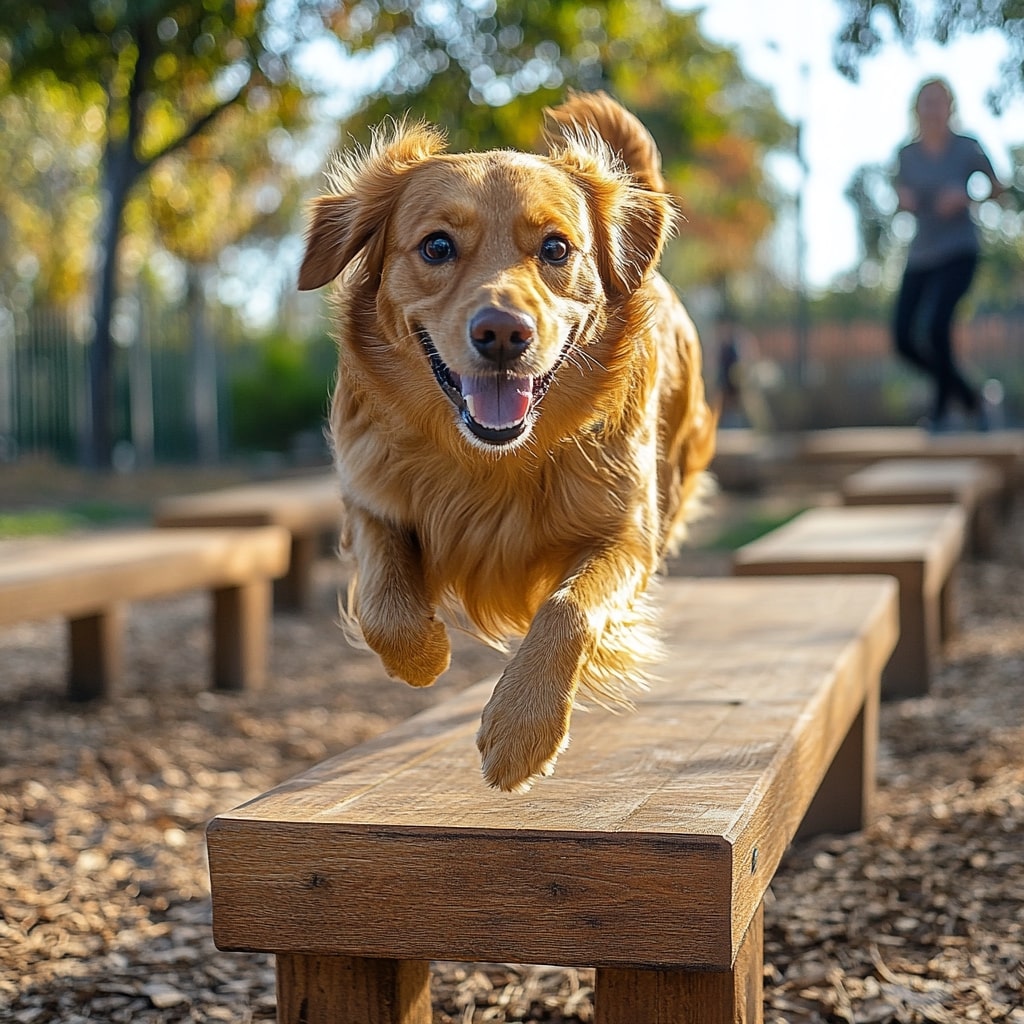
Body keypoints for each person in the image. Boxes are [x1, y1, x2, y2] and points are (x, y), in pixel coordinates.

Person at [892, 77, 1004, 432]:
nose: (933, 109)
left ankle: (941, 414)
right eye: (926, 101)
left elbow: (999, 190)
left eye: (939, 101)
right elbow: (901, 196)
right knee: (904, 339)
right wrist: (903, 203)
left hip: (959, 251)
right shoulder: (906, 155)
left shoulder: (967, 148)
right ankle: (971, 397)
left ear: (950, 107)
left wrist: (967, 198)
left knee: (937, 327)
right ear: (917, 108)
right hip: (922, 254)